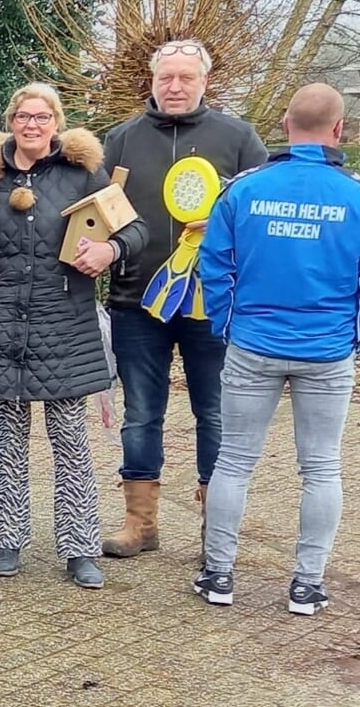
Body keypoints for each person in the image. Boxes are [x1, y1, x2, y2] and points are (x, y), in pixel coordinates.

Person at [192, 84, 360, 614]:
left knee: (234, 461)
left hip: (252, 344)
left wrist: (227, 323)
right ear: (339, 130)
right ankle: (306, 585)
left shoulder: (242, 189)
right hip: (329, 350)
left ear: (284, 125)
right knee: (323, 467)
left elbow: (215, 264)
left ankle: (219, 576)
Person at [0, 83, 143, 589]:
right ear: (10, 121)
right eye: (23, 116)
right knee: (9, 438)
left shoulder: (83, 172)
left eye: (42, 117)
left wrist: (109, 252)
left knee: (70, 442)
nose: (32, 125)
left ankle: (79, 548)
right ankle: (8, 540)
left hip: (65, 325)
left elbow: (133, 230)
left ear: (56, 123)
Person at [100, 38, 269, 557]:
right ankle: (140, 524)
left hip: (212, 306)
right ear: (151, 82)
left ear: (204, 82)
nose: (174, 87)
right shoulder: (121, 139)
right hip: (136, 301)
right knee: (140, 414)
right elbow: (98, 210)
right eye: (165, 78)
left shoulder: (239, 139)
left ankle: (213, 527)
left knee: (214, 414)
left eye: (185, 78)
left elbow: (260, 215)